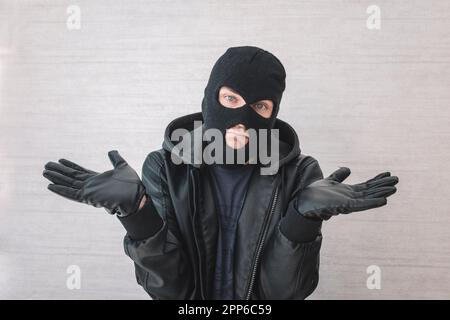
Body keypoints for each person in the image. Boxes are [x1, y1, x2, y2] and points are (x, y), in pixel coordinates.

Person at [42, 46, 399, 300]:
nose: (243, 117)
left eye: (260, 106)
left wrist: (301, 220)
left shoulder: (299, 173)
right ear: (210, 99)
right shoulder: (166, 168)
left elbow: (284, 294)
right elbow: (171, 293)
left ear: (273, 114)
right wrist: (138, 214)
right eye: (231, 99)